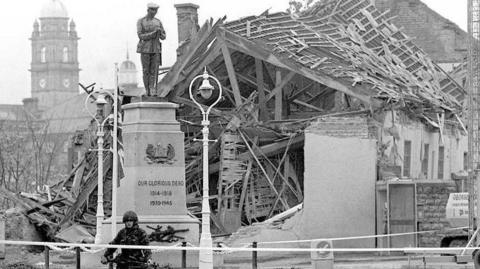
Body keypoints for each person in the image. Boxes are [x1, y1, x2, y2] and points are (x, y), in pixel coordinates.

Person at [137, 2, 166, 96]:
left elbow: (164, 36)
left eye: (156, 10)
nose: (154, 12)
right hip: (145, 48)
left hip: (156, 49)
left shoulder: (158, 22)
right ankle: (147, 90)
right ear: (148, 10)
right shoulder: (141, 21)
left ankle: (152, 89)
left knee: (154, 70)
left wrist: (160, 33)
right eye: (153, 10)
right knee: (146, 70)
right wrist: (153, 34)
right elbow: (140, 35)